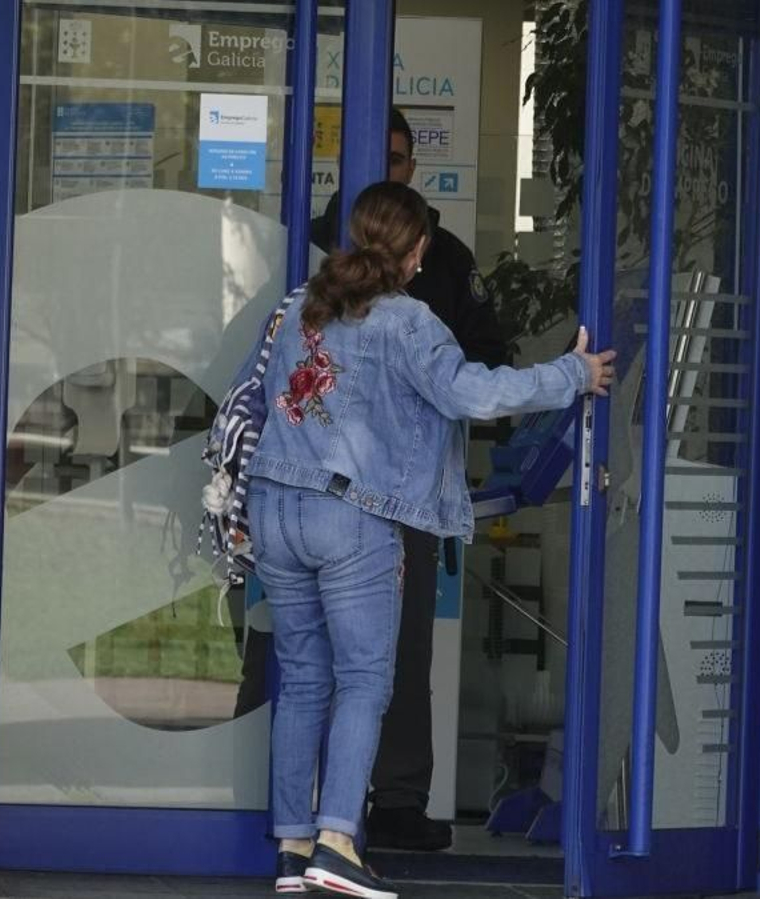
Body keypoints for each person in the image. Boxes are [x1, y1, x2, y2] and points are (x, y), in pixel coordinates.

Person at [252, 181, 614, 898]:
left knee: (302, 678)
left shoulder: (300, 308)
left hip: (275, 506)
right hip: (351, 513)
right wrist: (576, 373)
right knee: (362, 680)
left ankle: (294, 846)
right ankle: (336, 843)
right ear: (416, 252)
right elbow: (473, 394)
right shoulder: (407, 320)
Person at [309, 108, 503, 852]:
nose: (388, 168)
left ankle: (390, 800)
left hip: (403, 496)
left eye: (397, 157)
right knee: (308, 653)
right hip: (323, 490)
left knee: (400, 653)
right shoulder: (323, 261)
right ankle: (309, 813)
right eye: (377, 157)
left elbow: (485, 359)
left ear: (412, 168)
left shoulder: (445, 262)